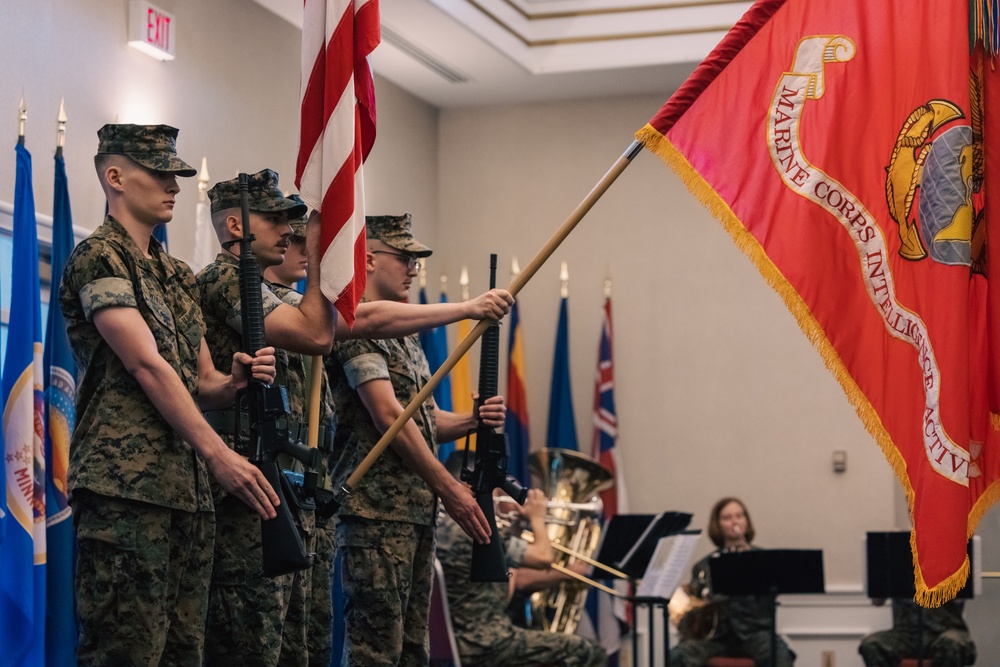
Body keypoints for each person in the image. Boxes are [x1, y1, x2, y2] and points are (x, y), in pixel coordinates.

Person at [59, 123, 280, 665]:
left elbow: (202, 382)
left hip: (187, 493)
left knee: (184, 652)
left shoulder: (177, 273)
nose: (174, 185)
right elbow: (146, 364)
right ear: (115, 176)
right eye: (159, 173)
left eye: (176, 174)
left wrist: (236, 380)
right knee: (126, 651)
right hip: (125, 490)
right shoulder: (99, 257)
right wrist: (218, 453)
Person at [327, 212, 511, 666]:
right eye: (404, 256)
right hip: (375, 512)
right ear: (369, 259)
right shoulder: (356, 327)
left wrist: (471, 421)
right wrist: (451, 489)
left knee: (413, 649)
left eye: (416, 260)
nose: (413, 268)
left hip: (413, 512)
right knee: (376, 651)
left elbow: (425, 421)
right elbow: (387, 414)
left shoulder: (406, 339)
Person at [435, 455, 608, 667]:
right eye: (494, 489)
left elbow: (503, 594)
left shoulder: (441, 528)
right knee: (589, 651)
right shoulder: (475, 529)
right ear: (469, 486)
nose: (496, 498)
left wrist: (514, 531)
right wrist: (537, 518)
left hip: (459, 646)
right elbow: (544, 557)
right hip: (490, 644)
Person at [670, 497, 796, 667]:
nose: (734, 521)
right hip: (716, 637)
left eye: (739, 516)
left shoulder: (764, 560)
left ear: (746, 521)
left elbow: (768, 602)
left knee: (780, 656)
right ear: (718, 525)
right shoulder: (704, 565)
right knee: (678, 656)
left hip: (756, 635)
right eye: (727, 518)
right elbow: (697, 607)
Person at [858, 598, 976, 667]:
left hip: (945, 631)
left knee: (951, 642)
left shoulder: (950, 559)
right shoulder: (894, 561)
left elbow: (960, 598)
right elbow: (877, 601)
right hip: (906, 635)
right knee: (871, 645)